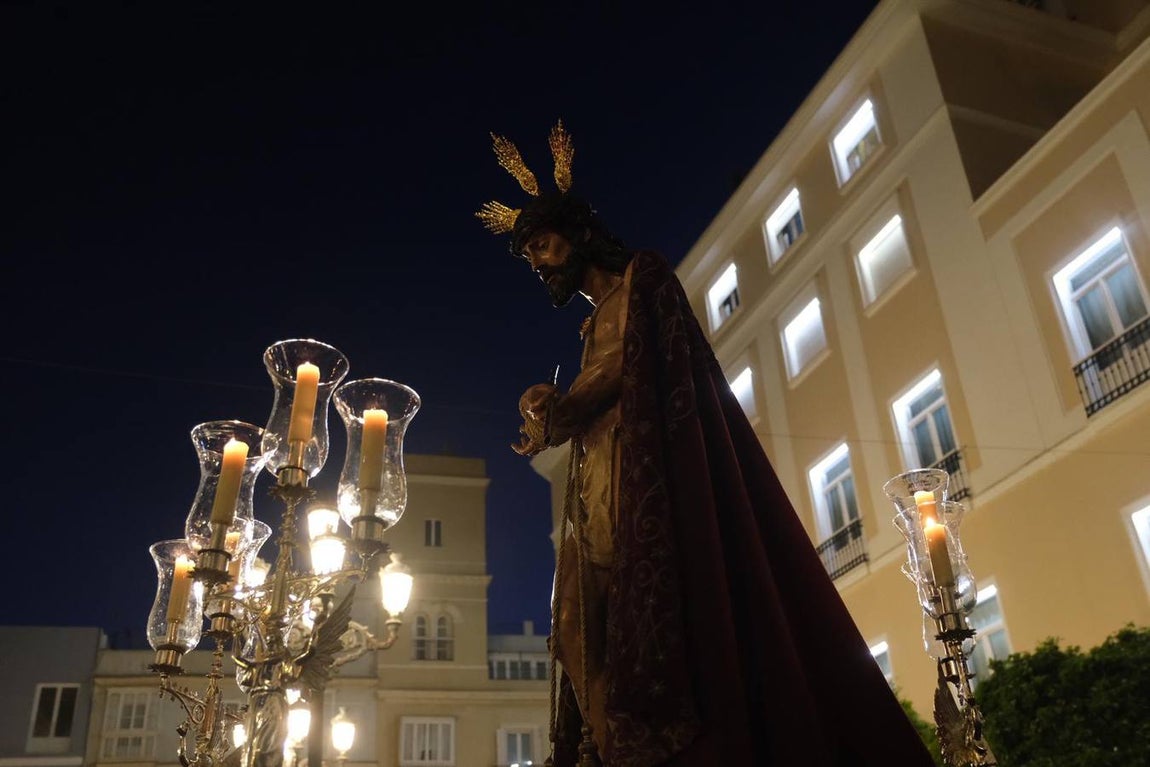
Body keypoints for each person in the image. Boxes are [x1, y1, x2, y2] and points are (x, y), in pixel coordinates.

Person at [477, 122, 937, 767]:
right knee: (574, 632)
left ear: (577, 233)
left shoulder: (645, 278)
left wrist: (566, 405)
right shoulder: (588, 325)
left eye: (544, 245)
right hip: (594, 491)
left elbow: (637, 364)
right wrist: (543, 409)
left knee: (629, 630)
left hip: (643, 488)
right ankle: (607, 748)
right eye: (530, 256)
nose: (539, 262)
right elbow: (590, 392)